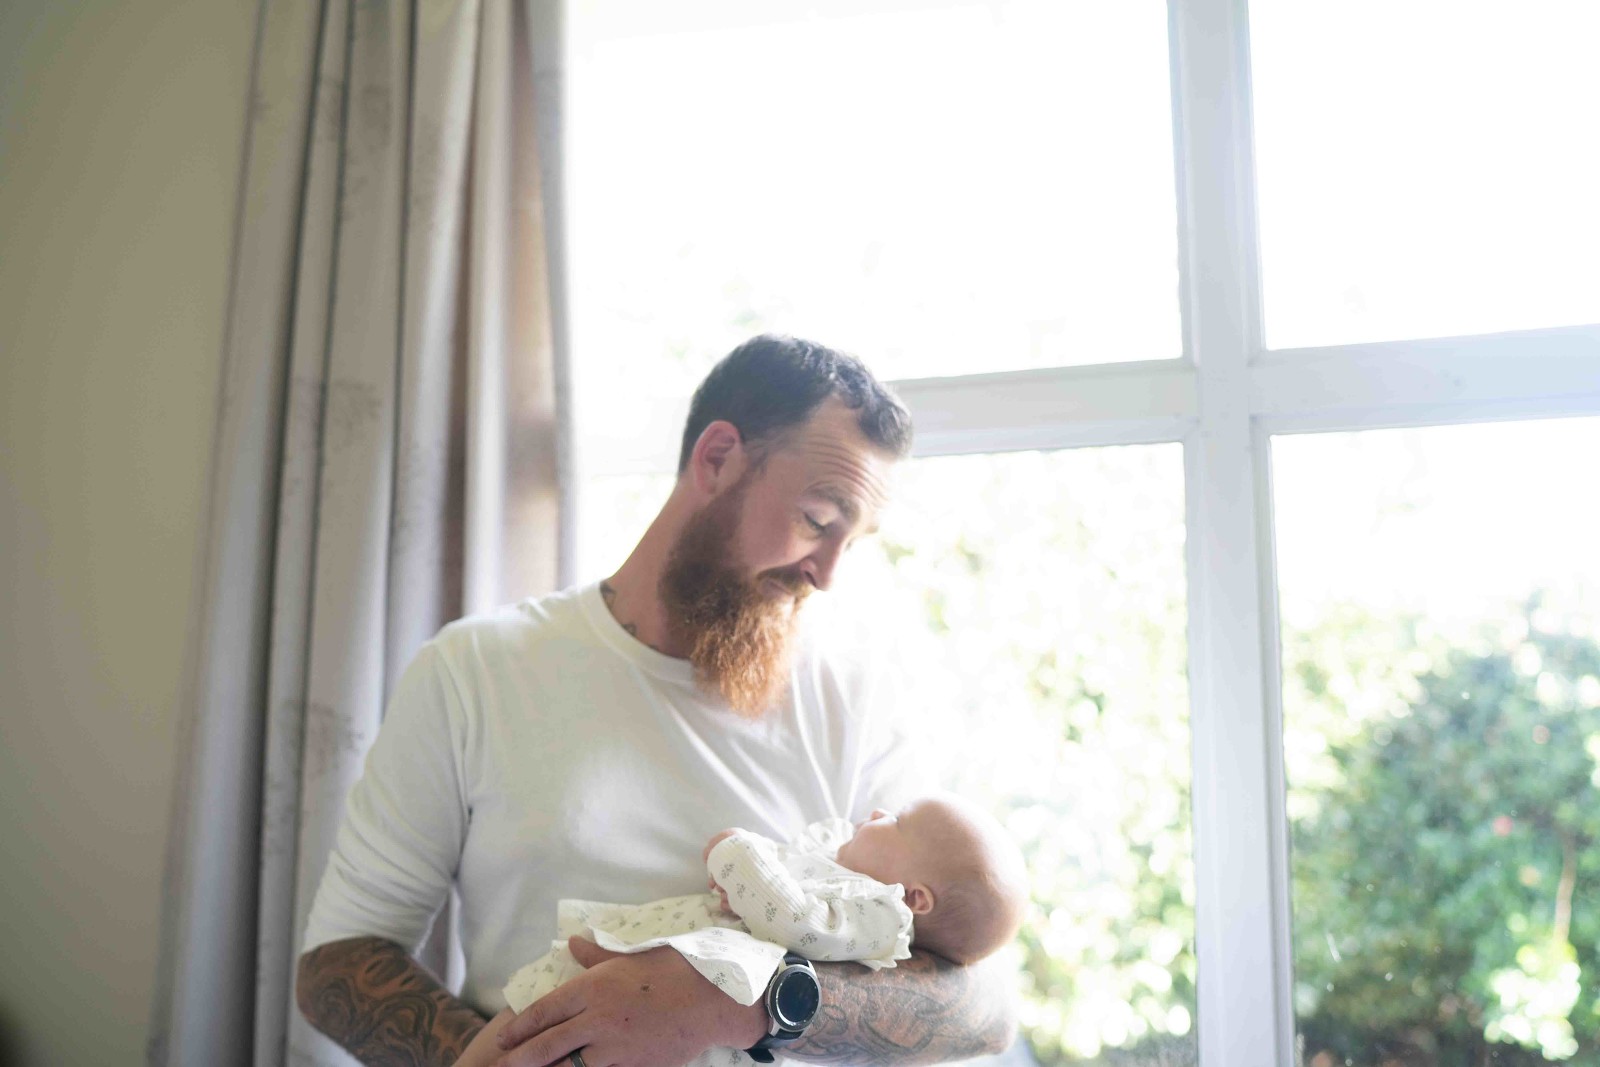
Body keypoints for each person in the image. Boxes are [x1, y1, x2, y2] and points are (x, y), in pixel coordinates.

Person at [295, 335, 1019, 1067]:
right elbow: (337, 961)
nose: (827, 574)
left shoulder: (852, 698)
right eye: (818, 519)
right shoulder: (473, 671)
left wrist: (744, 1004)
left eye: (851, 542)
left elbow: (982, 1006)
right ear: (717, 458)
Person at [470, 793, 1029, 1067]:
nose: (880, 811)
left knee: (527, 1026)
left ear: (914, 899)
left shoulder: (875, 911)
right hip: (622, 972)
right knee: (521, 1019)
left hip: (695, 1002)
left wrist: (738, 857)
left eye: (898, 821)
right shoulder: (845, 866)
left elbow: (795, 921)